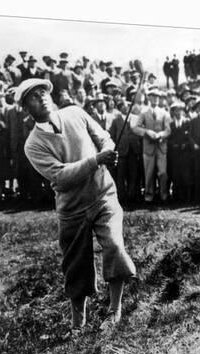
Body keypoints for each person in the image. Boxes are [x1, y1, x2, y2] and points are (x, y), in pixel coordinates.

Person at [19, 78, 136, 333]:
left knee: (115, 246)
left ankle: (114, 310)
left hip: (103, 193)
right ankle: (78, 324)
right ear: (26, 108)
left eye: (43, 92)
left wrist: (107, 149)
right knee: (75, 265)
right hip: (72, 208)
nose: (42, 98)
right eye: (33, 97)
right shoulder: (33, 144)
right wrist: (96, 159)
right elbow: (60, 175)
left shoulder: (75, 113)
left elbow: (103, 137)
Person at [133, 89, 172, 203]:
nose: (155, 99)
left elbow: (168, 130)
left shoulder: (164, 113)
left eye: (157, 97)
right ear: (149, 98)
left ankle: (163, 194)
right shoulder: (144, 112)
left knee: (163, 172)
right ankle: (149, 196)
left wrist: (160, 134)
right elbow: (136, 127)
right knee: (149, 173)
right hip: (148, 147)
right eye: (153, 97)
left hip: (161, 146)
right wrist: (147, 132)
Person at [168, 101, 193, 203]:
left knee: (186, 175)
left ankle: (187, 198)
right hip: (175, 154)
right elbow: (169, 137)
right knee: (176, 175)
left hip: (185, 153)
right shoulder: (171, 124)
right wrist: (173, 144)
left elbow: (190, 136)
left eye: (180, 111)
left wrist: (186, 145)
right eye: (176, 111)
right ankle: (177, 197)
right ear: (173, 113)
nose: (178, 113)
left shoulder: (187, 122)